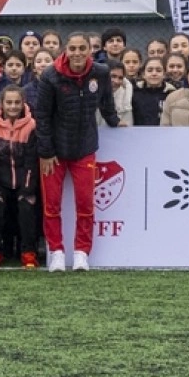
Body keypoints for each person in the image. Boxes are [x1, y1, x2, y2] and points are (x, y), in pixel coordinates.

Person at [35, 32, 121, 273]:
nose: (77, 53)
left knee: (86, 205)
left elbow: (106, 102)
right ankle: (57, 253)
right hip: (54, 153)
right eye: (72, 48)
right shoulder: (50, 75)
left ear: (89, 50)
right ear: (65, 50)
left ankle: (82, 252)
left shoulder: (101, 72)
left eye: (82, 48)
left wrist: (114, 121)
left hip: (85, 148)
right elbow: (41, 116)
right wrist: (46, 151)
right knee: (51, 206)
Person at [0, 86, 40, 269]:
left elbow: (32, 161)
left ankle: (28, 252)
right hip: (0, 180)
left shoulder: (32, 125)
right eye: (9, 102)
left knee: (26, 207)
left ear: (23, 103)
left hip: (25, 179)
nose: (13, 106)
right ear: (1, 104)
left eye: (17, 102)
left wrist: (27, 188)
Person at [131, 57, 174, 127]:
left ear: (164, 74)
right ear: (143, 74)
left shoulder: (171, 94)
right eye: (150, 70)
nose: (154, 73)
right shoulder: (134, 93)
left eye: (158, 70)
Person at [101, 60, 134, 127]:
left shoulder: (126, 99)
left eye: (120, 78)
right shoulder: (92, 95)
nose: (116, 81)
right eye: (113, 76)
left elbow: (127, 128)